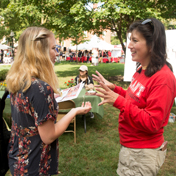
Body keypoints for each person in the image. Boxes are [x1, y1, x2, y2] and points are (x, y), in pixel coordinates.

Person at [92, 18, 176, 176]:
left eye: (134, 40)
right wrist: (116, 90)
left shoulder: (163, 78)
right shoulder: (142, 69)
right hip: (131, 149)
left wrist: (119, 102)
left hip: (142, 153)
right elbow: (135, 100)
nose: (129, 45)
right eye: (130, 39)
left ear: (152, 45)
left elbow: (153, 122)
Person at [6, 26, 92, 176]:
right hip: (34, 165)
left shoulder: (19, 80)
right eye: (53, 48)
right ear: (40, 51)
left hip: (18, 159)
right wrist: (74, 111)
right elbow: (48, 136)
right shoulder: (40, 88)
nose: (57, 53)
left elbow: (29, 113)